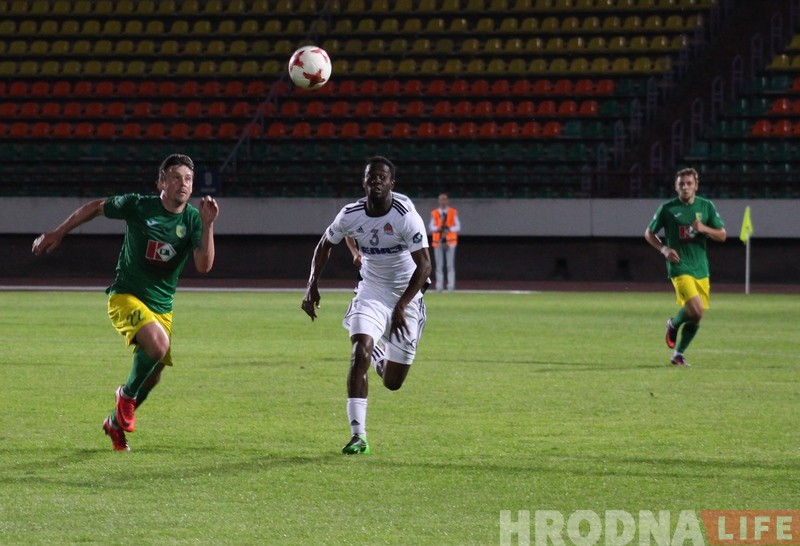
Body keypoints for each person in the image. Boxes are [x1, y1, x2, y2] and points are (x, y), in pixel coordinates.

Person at [31, 154, 220, 451]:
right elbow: (96, 207)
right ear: (160, 182)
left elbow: (204, 265)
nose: (182, 184)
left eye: (188, 179)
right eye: (175, 177)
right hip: (126, 295)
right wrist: (59, 232)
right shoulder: (139, 205)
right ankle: (125, 395)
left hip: (161, 306)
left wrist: (208, 226)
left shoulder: (193, 220)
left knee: (154, 375)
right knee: (158, 347)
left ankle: (115, 425)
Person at [301, 156, 431, 455]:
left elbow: (424, 266)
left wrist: (401, 305)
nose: (376, 180)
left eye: (382, 176)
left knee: (392, 382)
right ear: (364, 182)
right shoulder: (350, 214)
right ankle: (358, 435)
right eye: (371, 176)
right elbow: (324, 245)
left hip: (406, 297)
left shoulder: (405, 215)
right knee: (358, 351)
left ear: (391, 183)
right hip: (371, 291)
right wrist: (311, 286)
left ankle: (380, 354)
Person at [645, 167, 726, 366]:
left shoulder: (706, 206)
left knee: (696, 316)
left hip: (701, 268)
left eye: (689, 183)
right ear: (676, 186)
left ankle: (678, 352)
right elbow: (648, 233)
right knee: (696, 309)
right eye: (681, 184)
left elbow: (722, 235)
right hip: (679, 266)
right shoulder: (667, 208)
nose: (685, 187)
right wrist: (664, 249)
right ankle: (674, 325)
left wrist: (704, 228)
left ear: (696, 186)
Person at [429, 193, 461, 292]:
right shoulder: (435, 213)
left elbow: (458, 227)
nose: (443, 202)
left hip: (450, 242)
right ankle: (439, 287)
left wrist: (449, 228)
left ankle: (450, 286)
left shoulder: (452, 212)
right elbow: (431, 227)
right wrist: (437, 228)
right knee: (439, 265)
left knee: (450, 265)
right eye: (441, 200)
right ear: (439, 201)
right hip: (438, 241)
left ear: (447, 201)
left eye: (444, 200)